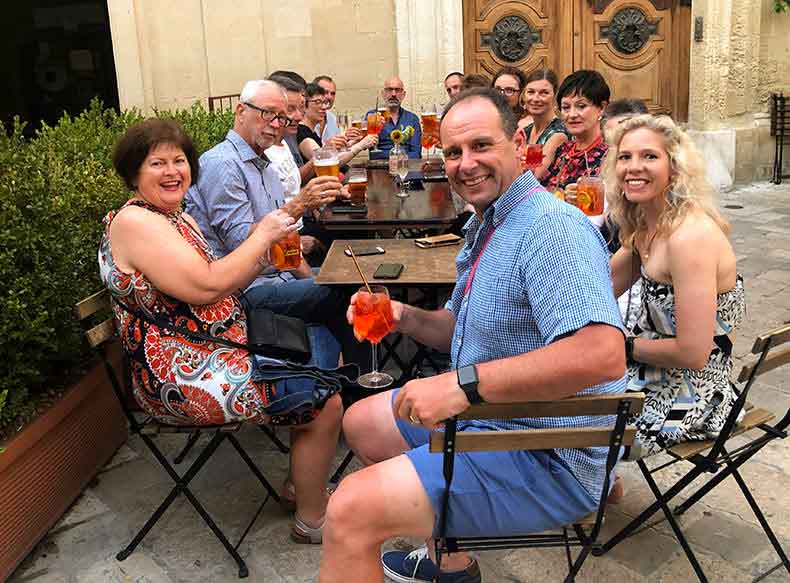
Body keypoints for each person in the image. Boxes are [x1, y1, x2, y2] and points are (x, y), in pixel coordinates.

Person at [319, 88, 627, 583]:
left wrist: (461, 385)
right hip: (494, 421)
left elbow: (602, 355)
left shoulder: (550, 228)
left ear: (518, 141)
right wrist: (400, 315)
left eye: (481, 146)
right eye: (455, 151)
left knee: (350, 509)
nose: (466, 164)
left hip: (551, 452)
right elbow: (457, 331)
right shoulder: (487, 223)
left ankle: (433, 541)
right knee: (362, 421)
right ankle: (450, 564)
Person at [100, 118, 345, 543]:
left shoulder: (174, 217)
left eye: (179, 160)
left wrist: (270, 244)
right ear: (134, 172)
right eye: (157, 163)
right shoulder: (135, 223)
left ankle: (299, 485)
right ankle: (312, 518)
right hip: (181, 372)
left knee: (325, 338)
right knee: (325, 398)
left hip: (217, 342)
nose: (172, 170)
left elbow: (225, 280)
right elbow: (208, 285)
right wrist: (272, 226)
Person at [184, 79, 368, 371]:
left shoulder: (265, 165)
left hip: (276, 277)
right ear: (240, 111)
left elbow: (285, 242)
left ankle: (338, 380)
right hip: (242, 291)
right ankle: (357, 386)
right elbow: (241, 246)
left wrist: (310, 280)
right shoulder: (222, 164)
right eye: (267, 113)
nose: (275, 124)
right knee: (343, 291)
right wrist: (299, 205)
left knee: (356, 278)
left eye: (281, 117)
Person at [605, 114, 745, 460]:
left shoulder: (689, 237)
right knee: (554, 391)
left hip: (691, 396)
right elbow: (600, 287)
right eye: (625, 157)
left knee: (563, 418)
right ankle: (589, 488)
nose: (633, 167)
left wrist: (620, 345)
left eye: (649, 156)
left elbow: (693, 354)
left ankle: (588, 490)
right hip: (648, 374)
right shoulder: (646, 224)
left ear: (675, 166)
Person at [543, 70, 611, 228]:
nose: (572, 115)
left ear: (601, 108)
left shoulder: (610, 155)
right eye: (566, 108)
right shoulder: (563, 150)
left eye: (581, 106)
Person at [520, 68, 569, 181]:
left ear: (555, 96)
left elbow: (532, 177)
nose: (536, 98)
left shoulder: (557, 133)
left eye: (544, 93)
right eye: (531, 92)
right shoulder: (527, 129)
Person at [367, 76, 422, 160]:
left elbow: (416, 153)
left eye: (397, 90)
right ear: (383, 93)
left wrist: (393, 158)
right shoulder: (372, 116)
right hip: (380, 168)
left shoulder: (412, 118)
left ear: (403, 95)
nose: (393, 94)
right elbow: (373, 154)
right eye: (389, 90)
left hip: (407, 167)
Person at [313, 75, 341, 142]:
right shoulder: (304, 119)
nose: (329, 97)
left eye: (332, 94)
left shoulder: (332, 118)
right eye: (325, 92)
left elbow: (338, 149)